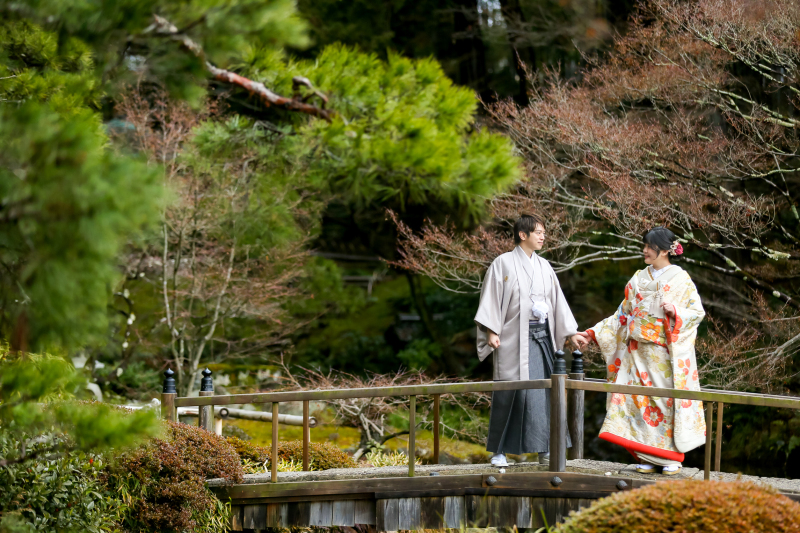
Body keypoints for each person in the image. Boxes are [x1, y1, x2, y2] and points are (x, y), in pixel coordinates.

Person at [574, 227, 706, 476]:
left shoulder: (681, 279)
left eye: (650, 246)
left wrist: (676, 313)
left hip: (664, 355)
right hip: (637, 353)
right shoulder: (637, 279)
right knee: (639, 402)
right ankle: (646, 455)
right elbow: (621, 316)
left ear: (665, 250)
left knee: (664, 403)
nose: (645, 250)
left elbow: (696, 313)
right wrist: (591, 333)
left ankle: (670, 458)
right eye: (644, 245)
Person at [475, 214, 583, 467]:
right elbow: (490, 298)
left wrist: (569, 333)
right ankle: (499, 451)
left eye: (543, 232)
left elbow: (557, 302)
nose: (543, 236)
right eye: (538, 232)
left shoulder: (545, 266)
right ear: (522, 235)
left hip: (542, 338)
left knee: (543, 393)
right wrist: (491, 330)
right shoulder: (502, 264)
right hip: (513, 339)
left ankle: (545, 449)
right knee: (510, 393)